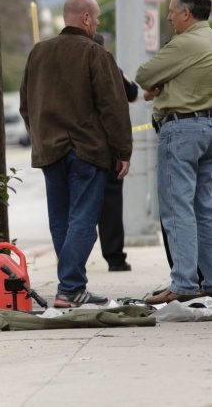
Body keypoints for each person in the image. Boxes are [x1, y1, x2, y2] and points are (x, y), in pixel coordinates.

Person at [19, 0, 132, 308]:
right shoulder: (95, 53)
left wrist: (40, 137)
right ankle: (69, 288)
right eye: (95, 19)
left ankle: (74, 286)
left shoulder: (37, 53)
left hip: (49, 151)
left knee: (61, 221)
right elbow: (113, 106)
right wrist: (123, 150)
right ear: (85, 18)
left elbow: (25, 105)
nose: (96, 24)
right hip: (87, 151)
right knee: (83, 220)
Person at [136, 0, 212, 304]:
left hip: (182, 130)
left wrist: (159, 86)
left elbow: (144, 74)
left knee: (178, 207)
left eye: (173, 11)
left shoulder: (185, 42)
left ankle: (184, 283)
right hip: (210, 127)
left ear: (187, 13)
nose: (169, 16)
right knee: (206, 207)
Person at [91, 33, 138, 272]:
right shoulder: (110, 67)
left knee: (74, 206)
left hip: (72, 146)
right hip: (104, 147)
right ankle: (115, 258)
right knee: (110, 204)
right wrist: (123, 151)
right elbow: (132, 93)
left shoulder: (62, 67)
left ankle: (71, 259)